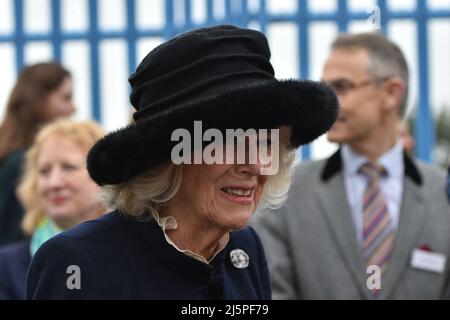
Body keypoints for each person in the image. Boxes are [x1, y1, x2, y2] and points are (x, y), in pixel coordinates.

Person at [26, 25, 338, 299]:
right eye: (229, 143)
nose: (255, 165)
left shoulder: (244, 249)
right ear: (168, 159)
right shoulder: (79, 260)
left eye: (265, 144)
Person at [252, 32, 450, 299]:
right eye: (324, 87)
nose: (327, 100)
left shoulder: (442, 193)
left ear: (391, 93)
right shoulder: (284, 191)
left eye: (341, 86)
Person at [0, 119, 105, 300]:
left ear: (104, 175)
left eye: (69, 167)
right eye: (44, 171)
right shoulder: (6, 266)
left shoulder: (130, 255)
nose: (54, 182)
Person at [0, 62, 76, 246]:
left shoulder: (11, 153)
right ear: (39, 101)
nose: (73, 108)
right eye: (66, 98)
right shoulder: (20, 162)